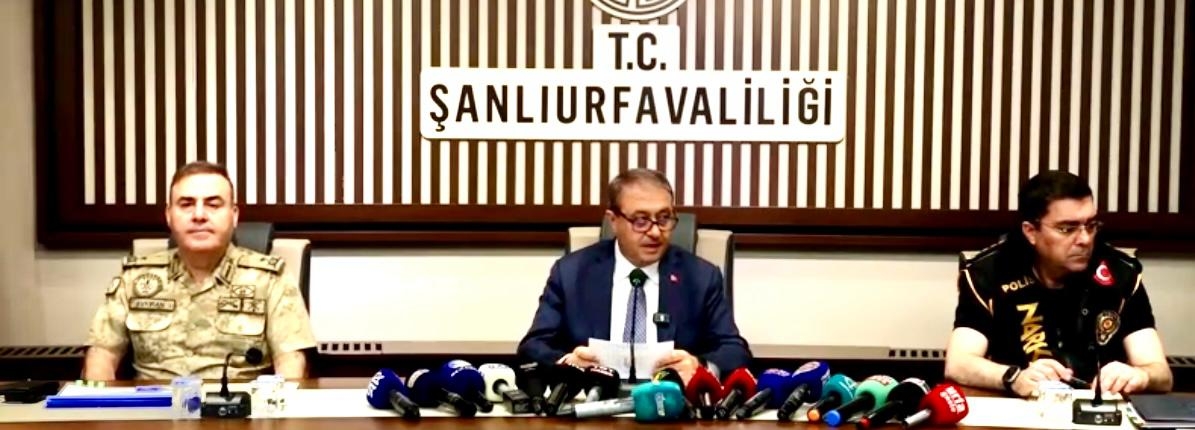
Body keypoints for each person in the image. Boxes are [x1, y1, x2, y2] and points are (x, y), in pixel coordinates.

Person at [945, 170, 1172, 397]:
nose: (1085, 239)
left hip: (1098, 406)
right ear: (1031, 232)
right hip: (1022, 405)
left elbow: (1161, 374)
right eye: (1067, 229)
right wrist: (1013, 377)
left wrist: (1140, 375)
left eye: (1091, 225)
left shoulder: (1120, 274)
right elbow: (958, 363)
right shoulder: (989, 273)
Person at [82, 161, 316, 380]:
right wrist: (100, 405)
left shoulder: (270, 279)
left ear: (234, 215)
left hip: (240, 406)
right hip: (153, 405)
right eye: (186, 204)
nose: (199, 215)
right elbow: (101, 356)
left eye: (213, 205)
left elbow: (291, 364)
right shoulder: (135, 277)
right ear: (168, 215)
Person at [517, 168, 751, 383]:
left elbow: (735, 351)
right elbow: (532, 347)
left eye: (664, 218)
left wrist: (699, 366)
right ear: (613, 221)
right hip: (593, 402)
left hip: (671, 404)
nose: (655, 232)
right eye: (641, 221)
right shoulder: (571, 273)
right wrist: (568, 364)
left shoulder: (701, 277)